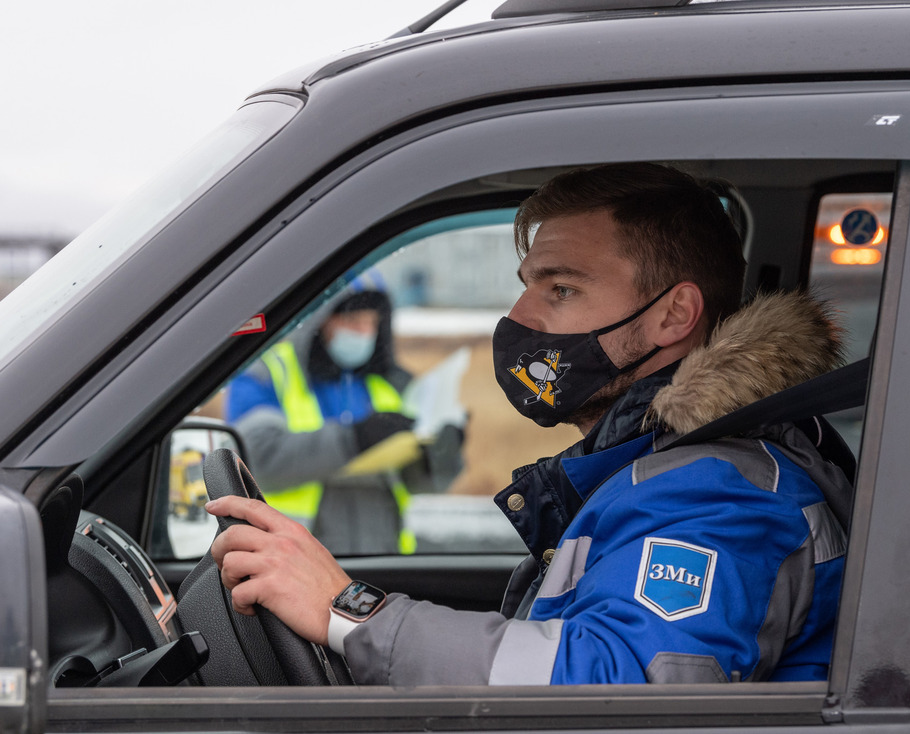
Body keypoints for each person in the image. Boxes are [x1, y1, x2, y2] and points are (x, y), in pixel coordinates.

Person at [208, 162, 852, 685]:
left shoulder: (722, 493)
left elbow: (615, 690)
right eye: (527, 285)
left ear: (673, 315)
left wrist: (350, 613)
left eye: (561, 289)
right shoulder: (648, 469)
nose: (520, 317)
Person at [223, 285, 428, 555]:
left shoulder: (388, 384)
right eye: (353, 321)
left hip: (383, 562)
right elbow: (254, 462)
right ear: (318, 319)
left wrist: (440, 456)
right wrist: (353, 439)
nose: (364, 332)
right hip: (293, 565)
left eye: (371, 323)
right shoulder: (268, 373)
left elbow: (419, 484)